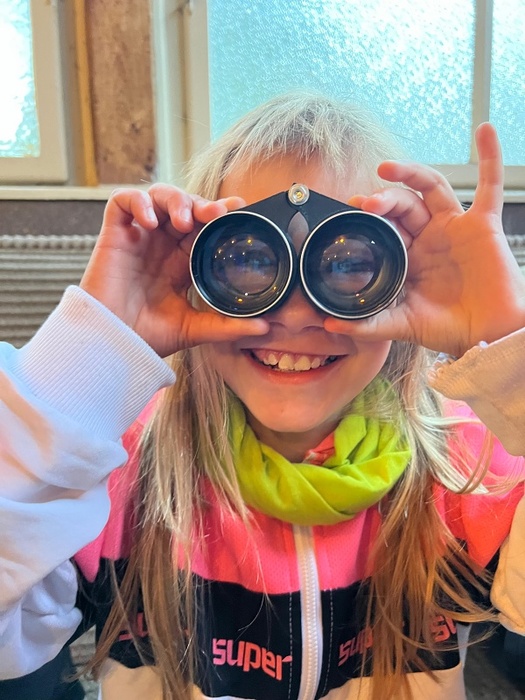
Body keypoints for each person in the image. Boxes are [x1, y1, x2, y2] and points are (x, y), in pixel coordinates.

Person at [1, 92, 525, 700]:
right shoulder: (113, 473)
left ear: (401, 282)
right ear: (191, 272)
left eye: (348, 263)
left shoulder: (469, 470)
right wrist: (88, 356)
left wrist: (509, 348)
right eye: (249, 259)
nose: (296, 314)